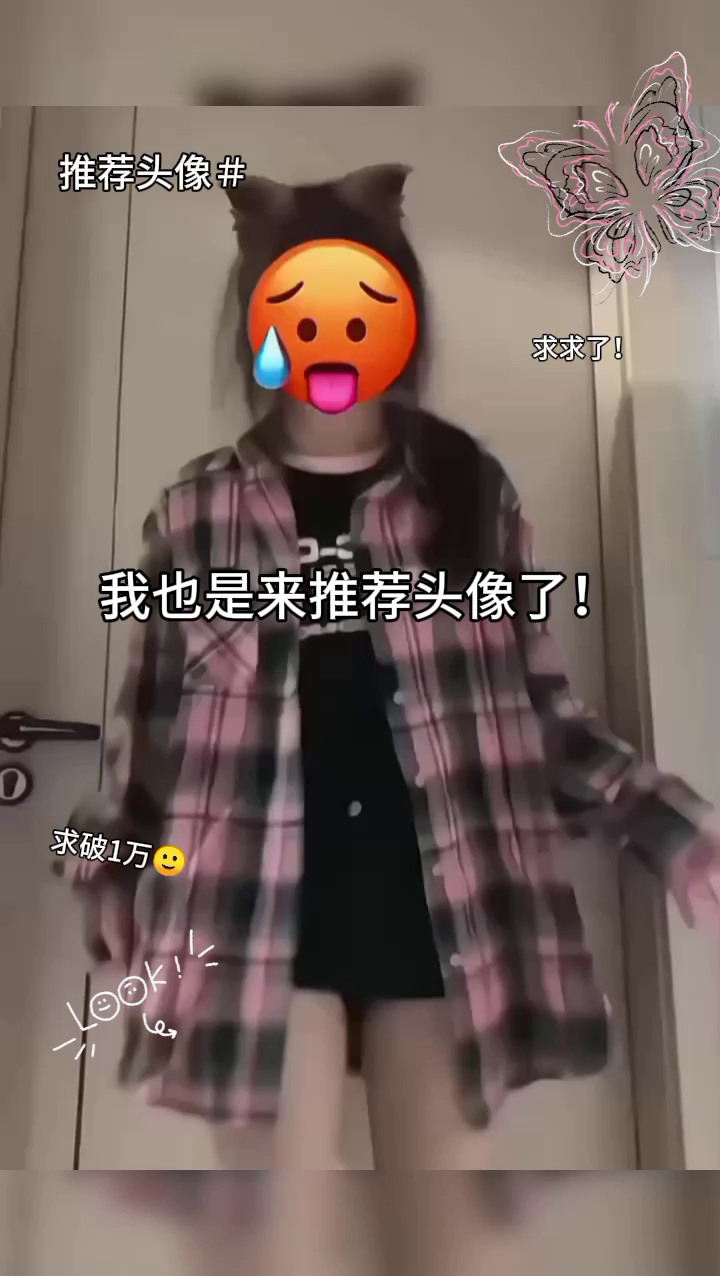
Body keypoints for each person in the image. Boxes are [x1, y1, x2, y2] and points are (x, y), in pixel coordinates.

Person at [68, 163, 720, 1179]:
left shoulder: (470, 494)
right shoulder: (197, 512)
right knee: (282, 1234)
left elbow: (544, 719)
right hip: (246, 927)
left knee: (447, 1234)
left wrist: (675, 828)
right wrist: (101, 866)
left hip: (445, 922)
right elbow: (143, 738)